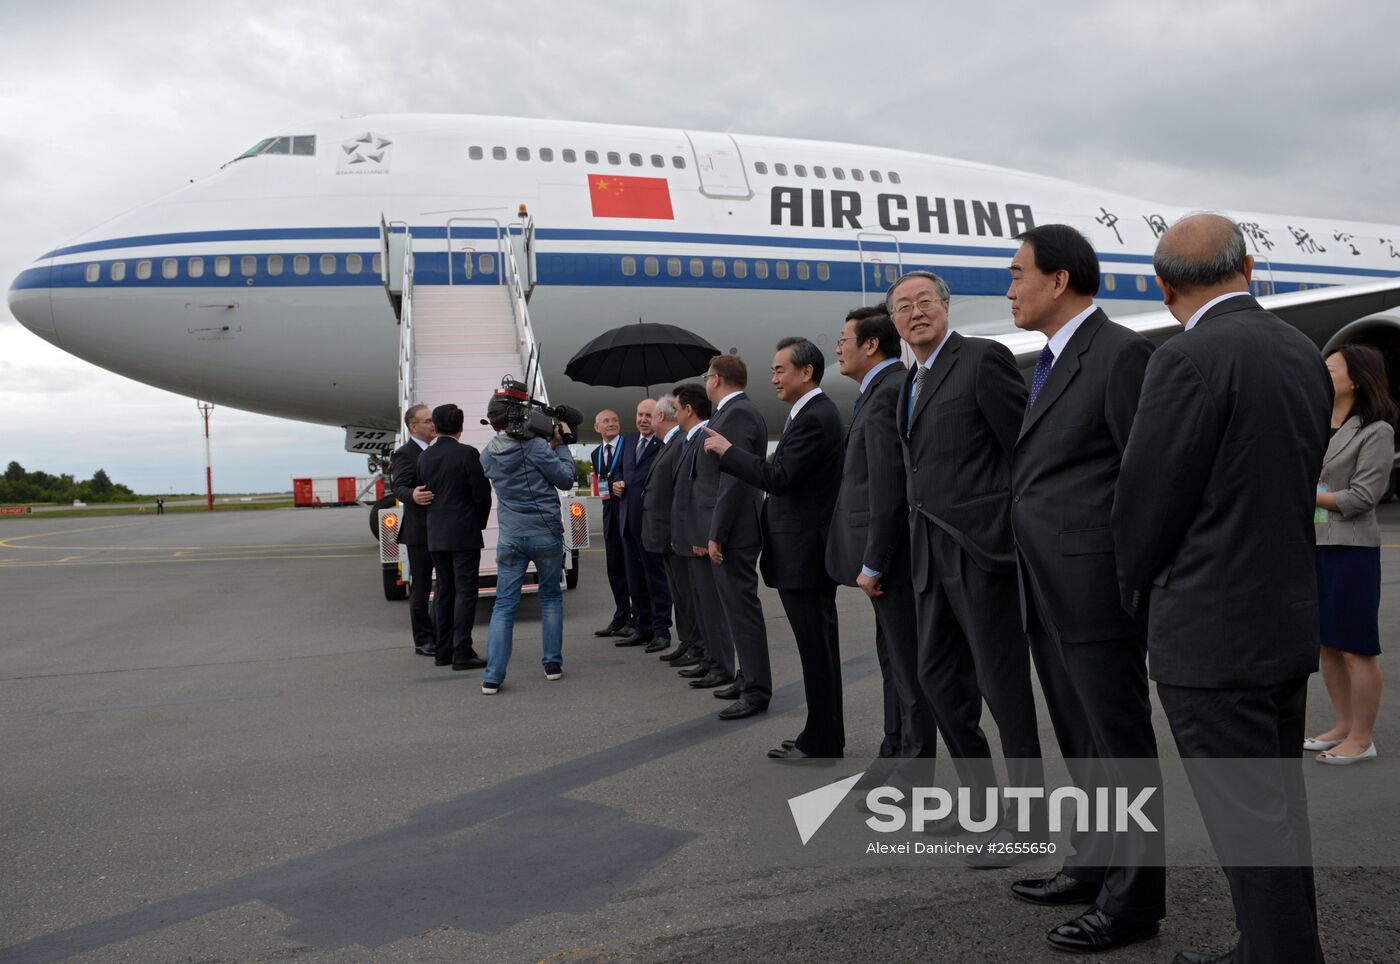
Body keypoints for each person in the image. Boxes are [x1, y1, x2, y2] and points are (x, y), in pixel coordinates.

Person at [1113, 213, 1331, 964]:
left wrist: (1134, 590)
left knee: (1246, 820)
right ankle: (1276, 946)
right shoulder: (1300, 350)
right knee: (1278, 810)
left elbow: (1147, 501)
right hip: (1284, 616)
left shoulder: (1185, 358)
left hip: (1211, 630)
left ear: (1162, 286)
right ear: (1250, 267)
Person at [1004, 224, 1164, 953]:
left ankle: (1134, 901)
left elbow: (1144, 477)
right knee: (1082, 739)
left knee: (1119, 745)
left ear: (1059, 280)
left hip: (1098, 587)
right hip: (1048, 585)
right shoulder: (1050, 359)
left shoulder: (1121, 352)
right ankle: (1096, 863)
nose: (1010, 289)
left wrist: (1131, 582)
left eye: (1018, 274)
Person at [890, 269, 1044, 864]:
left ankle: (1027, 821)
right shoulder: (911, 380)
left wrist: (1009, 532)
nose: (915, 312)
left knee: (1004, 691)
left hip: (981, 551)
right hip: (928, 554)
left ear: (946, 307)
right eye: (904, 306)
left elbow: (1023, 451)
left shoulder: (982, 359)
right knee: (937, 681)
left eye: (925, 301)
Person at [704, 337, 844, 754]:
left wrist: (729, 452)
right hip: (801, 553)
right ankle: (822, 735)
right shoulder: (809, 414)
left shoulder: (816, 416)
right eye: (773, 371)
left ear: (807, 372)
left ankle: (821, 739)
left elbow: (779, 478)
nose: (774, 379)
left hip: (805, 556)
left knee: (817, 654)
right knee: (817, 653)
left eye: (781, 370)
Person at [827, 307, 933, 761]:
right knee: (892, 660)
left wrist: (873, 562)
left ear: (871, 345)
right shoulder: (879, 390)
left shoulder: (890, 390)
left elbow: (888, 487)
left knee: (907, 668)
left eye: (843, 339)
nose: (838, 348)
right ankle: (894, 751)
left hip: (893, 560)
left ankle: (913, 767)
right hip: (888, 558)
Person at [1308, 342, 1394, 764]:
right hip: (1314, 545)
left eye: (1330, 369)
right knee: (1327, 645)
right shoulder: (1313, 422)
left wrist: (1303, 492)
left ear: (1356, 379)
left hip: (1351, 550)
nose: (1322, 374)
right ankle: (1343, 726)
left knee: (1355, 648)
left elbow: (1362, 497)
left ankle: (1362, 738)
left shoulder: (1376, 431)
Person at [687, 354, 769, 717]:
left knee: (742, 610)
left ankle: (756, 690)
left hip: (735, 530)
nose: (706, 382)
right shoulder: (728, 413)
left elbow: (733, 478)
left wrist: (716, 532)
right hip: (730, 527)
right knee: (735, 611)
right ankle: (745, 677)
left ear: (716, 378)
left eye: (707, 376)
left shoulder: (738, 414)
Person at [478, 399, 578, 695]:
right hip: (545, 532)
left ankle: (492, 677)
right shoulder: (535, 447)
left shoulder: (488, 454)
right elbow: (565, 478)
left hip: (511, 535)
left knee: (504, 606)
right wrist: (560, 446)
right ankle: (552, 665)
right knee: (551, 598)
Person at [415, 403, 492, 671]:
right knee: (466, 592)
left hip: (436, 533)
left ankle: (443, 650)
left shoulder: (425, 456)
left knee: (444, 592)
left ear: (435, 427)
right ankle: (462, 651)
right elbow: (481, 494)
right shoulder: (467, 454)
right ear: (461, 426)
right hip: (463, 533)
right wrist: (478, 523)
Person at [613, 398, 673, 651]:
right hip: (628, 521)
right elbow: (618, 470)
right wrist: (617, 482)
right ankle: (642, 627)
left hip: (651, 524)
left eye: (648, 415)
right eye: (639, 414)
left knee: (656, 579)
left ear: (658, 417)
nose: (643, 420)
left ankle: (661, 631)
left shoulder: (664, 444)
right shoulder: (627, 442)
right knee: (634, 579)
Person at [668, 383, 717, 681]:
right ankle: (708, 658)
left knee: (709, 605)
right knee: (699, 603)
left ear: (689, 409)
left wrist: (701, 536)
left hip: (700, 538)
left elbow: (706, 493)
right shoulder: (689, 440)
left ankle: (717, 663)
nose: (673, 414)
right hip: (688, 537)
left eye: (675, 409)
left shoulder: (704, 438)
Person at [390, 403, 438, 656]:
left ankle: (440, 633)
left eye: (433, 420)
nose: (433, 424)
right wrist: (412, 495)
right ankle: (423, 640)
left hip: (442, 528)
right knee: (421, 587)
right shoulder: (405, 453)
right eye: (428, 421)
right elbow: (398, 486)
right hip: (419, 531)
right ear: (413, 427)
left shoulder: (438, 449)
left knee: (445, 585)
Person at [591, 409, 633, 637]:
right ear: (597, 427)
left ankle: (637, 617)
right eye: (606, 421)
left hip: (628, 515)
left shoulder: (629, 446)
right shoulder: (596, 453)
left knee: (633, 570)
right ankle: (621, 616)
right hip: (610, 518)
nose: (611, 424)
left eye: (615, 420)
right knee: (615, 570)